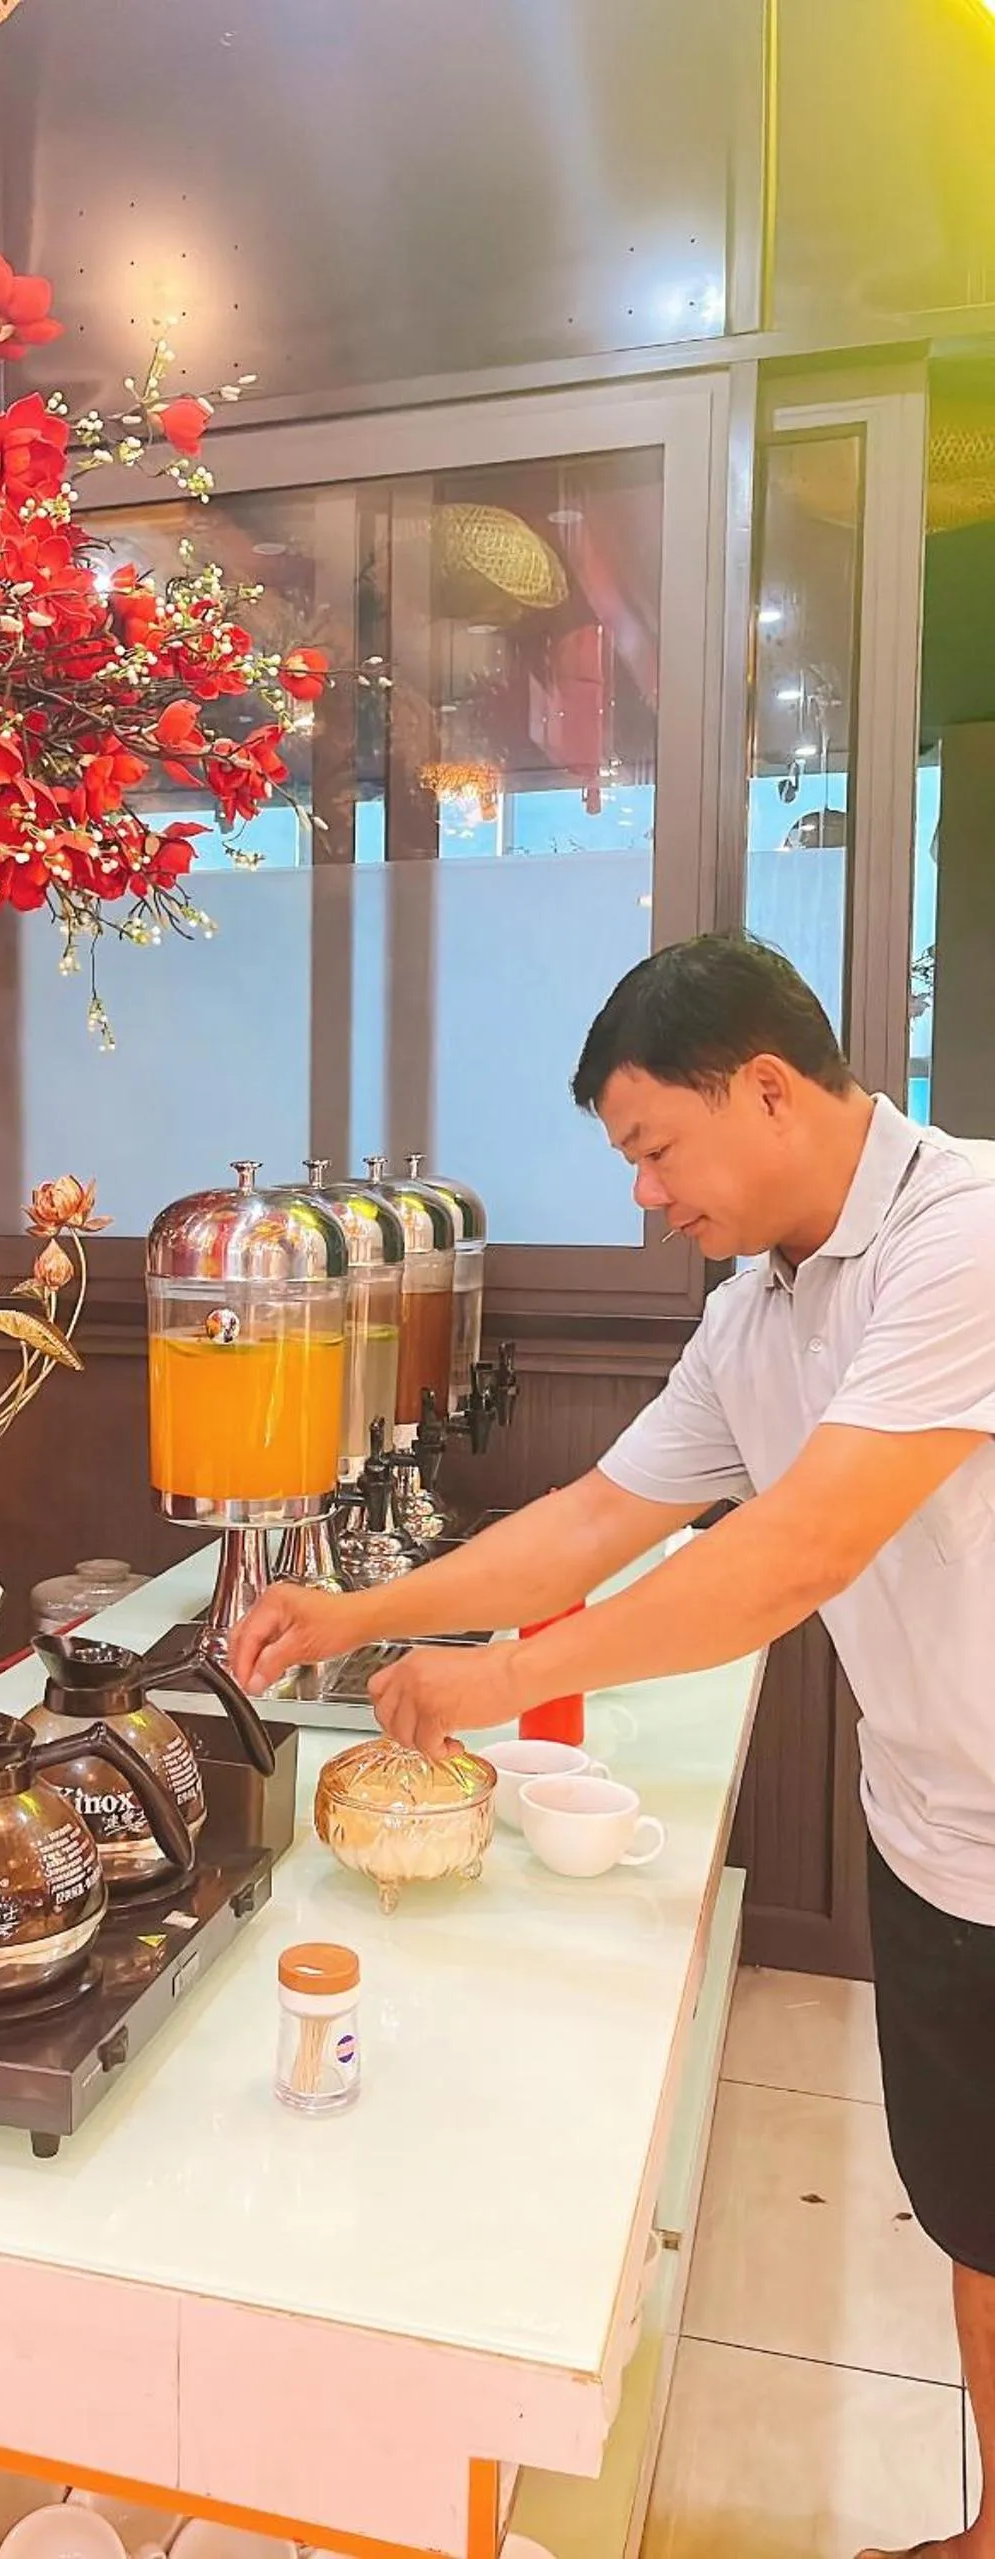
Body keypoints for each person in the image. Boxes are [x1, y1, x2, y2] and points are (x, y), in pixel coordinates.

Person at [229, 933, 995, 2559]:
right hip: (937, 1825)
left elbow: (790, 1557)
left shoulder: (967, 1237)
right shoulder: (758, 1312)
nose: (647, 1196)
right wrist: (356, 1620)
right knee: (982, 2222)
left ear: (770, 1088)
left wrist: (500, 1681)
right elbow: (591, 1519)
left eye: (653, 1149)